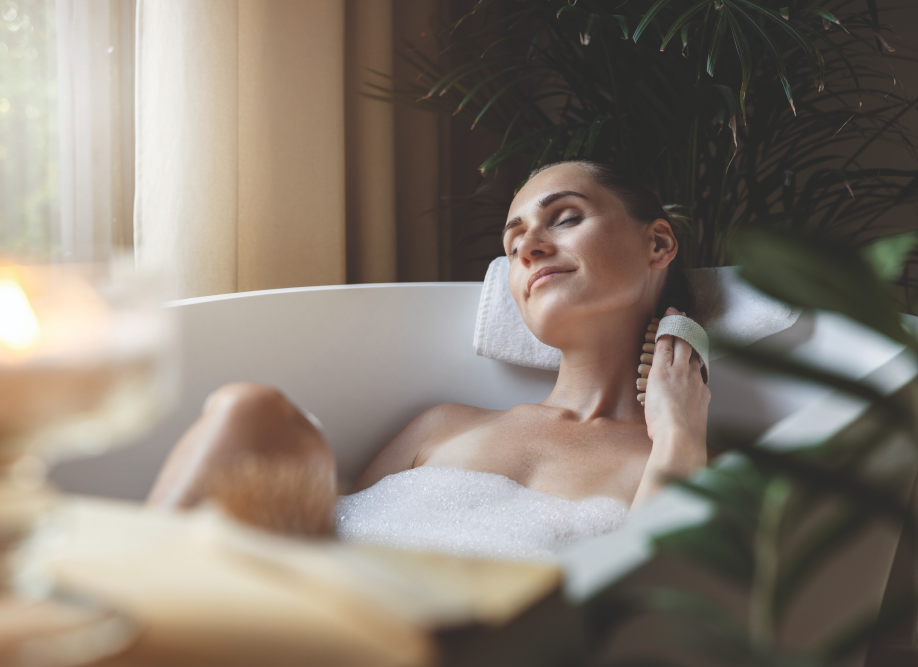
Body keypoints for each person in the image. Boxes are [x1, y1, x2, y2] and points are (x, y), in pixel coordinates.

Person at [146, 160, 711, 559]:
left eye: (563, 218)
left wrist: (679, 437)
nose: (530, 247)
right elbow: (336, 537)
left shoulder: (676, 459)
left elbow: (651, 610)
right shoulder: (441, 425)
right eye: (513, 248)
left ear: (658, 244)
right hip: (321, 620)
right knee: (252, 412)